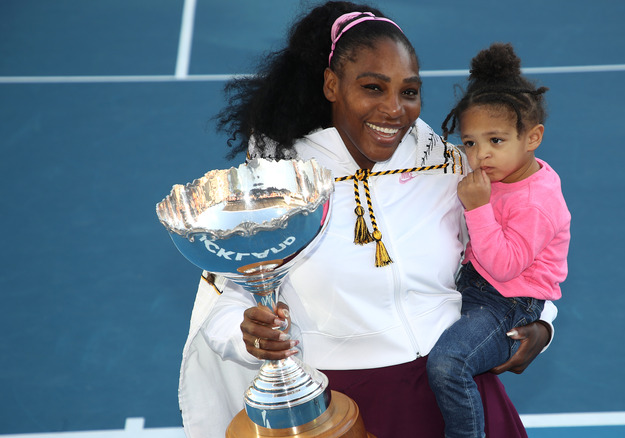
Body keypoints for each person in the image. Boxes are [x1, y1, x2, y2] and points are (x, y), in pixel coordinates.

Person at [178, 3, 558, 437]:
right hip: (349, 408)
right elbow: (227, 303)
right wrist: (248, 334)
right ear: (331, 85)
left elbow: (528, 242)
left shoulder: (450, 168)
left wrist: (543, 324)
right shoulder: (280, 185)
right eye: (373, 88)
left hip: (458, 393)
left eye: (409, 91)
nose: (394, 109)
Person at [426, 43, 571, 438]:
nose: (480, 155)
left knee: (448, 364)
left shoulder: (537, 201)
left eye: (496, 140)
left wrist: (477, 209)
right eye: (470, 143)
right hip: (473, 286)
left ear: (533, 137)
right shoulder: (500, 174)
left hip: (509, 304)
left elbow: (505, 265)